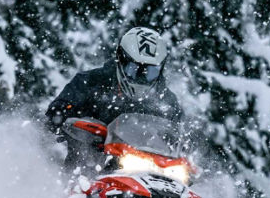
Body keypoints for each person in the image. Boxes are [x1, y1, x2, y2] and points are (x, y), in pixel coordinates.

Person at [44, 26, 179, 172]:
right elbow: (62, 106)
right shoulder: (90, 82)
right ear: (121, 59)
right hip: (89, 163)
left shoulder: (166, 101)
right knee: (77, 173)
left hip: (147, 169)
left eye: (150, 72)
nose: (141, 78)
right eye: (134, 70)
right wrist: (60, 113)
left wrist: (192, 146)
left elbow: (179, 133)